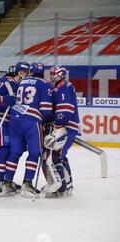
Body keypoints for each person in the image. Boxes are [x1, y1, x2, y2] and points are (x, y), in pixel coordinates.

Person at [4, 62, 53, 198]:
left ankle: (6, 183)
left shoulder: (23, 81)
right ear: (43, 72)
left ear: (30, 72)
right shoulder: (44, 83)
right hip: (31, 122)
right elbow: (46, 109)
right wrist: (44, 120)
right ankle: (27, 183)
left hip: (14, 118)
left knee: (14, 152)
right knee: (34, 152)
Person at [43, 65, 80, 197]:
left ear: (59, 74)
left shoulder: (64, 86)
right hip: (66, 126)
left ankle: (61, 188)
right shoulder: (59, 87)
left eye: (53, 74)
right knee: (60, 155)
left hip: (65, 126)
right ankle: (68, 185)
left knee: (55, 156)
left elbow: (65, 109)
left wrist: (58, 126)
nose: (51, 76)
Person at [0, 62, 25, 196]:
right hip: (2, 120)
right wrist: (3, 101)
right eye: (25, 72)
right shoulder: (6, 81)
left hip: (13, 122)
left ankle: (7, 181)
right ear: (20, 72)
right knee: (4, 151)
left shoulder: (21, 86)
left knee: (14, 151)